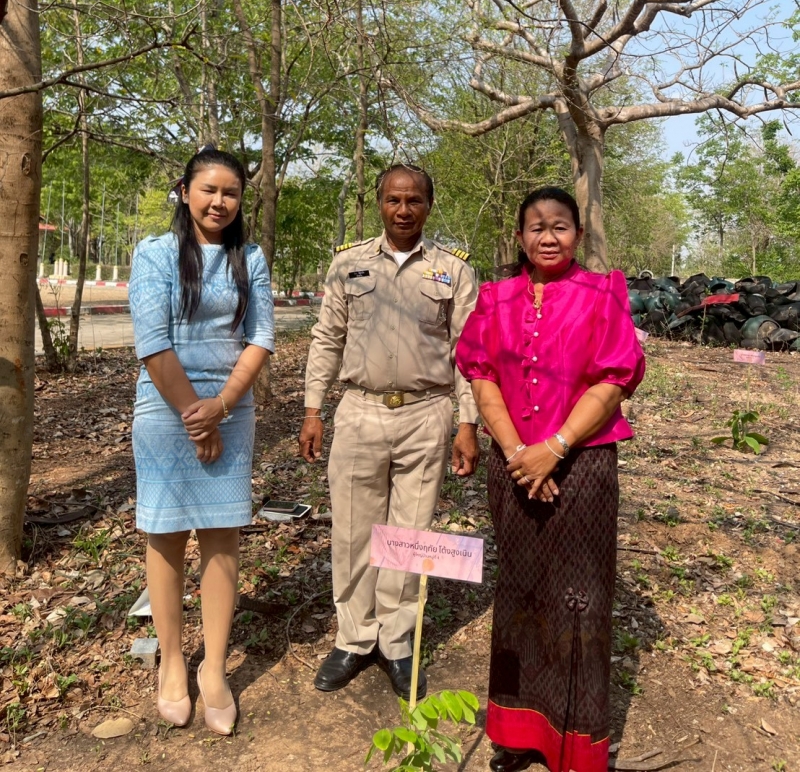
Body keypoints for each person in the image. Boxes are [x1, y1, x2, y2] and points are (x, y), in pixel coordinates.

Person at [455, 187, 645, 772]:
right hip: (512, 465)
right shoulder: (495, 297)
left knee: (579, 601)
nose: (547, 236)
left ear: (578, 234)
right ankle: (517, 732)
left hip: (583, 466)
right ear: (519, 236)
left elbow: (613, 380)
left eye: (560, 226)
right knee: (520, 594)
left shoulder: (602, 292)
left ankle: (576, 744)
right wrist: (520, 455)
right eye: (535, 227)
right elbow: (482, 377)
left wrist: (555, 449)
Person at [299, 163, 480, 700]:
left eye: (414, 200)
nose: (403, 210)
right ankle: (354, 638)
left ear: (429, 205)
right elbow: (327, 338)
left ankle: (398, 642)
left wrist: (467, 422)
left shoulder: (453, 271)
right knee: (353, 531)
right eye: (393, 200)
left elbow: (467, 352)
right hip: (361, 410)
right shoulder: (348, 264)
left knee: (409, 533)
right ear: (379, 203)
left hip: (427, 413)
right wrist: (313, 408)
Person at [129, 147, 274, 735]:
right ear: (185, 191)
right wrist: (197, 415)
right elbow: (152, 341)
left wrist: (222, 407)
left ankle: (213, 667)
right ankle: (171, 662)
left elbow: (260, 337)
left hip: (231, 408)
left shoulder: (251, 257)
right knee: (165, 533)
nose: (219, 202)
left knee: (221, 533)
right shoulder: (155, 253)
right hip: (166, 408)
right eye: (208, 189)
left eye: (230, 192)